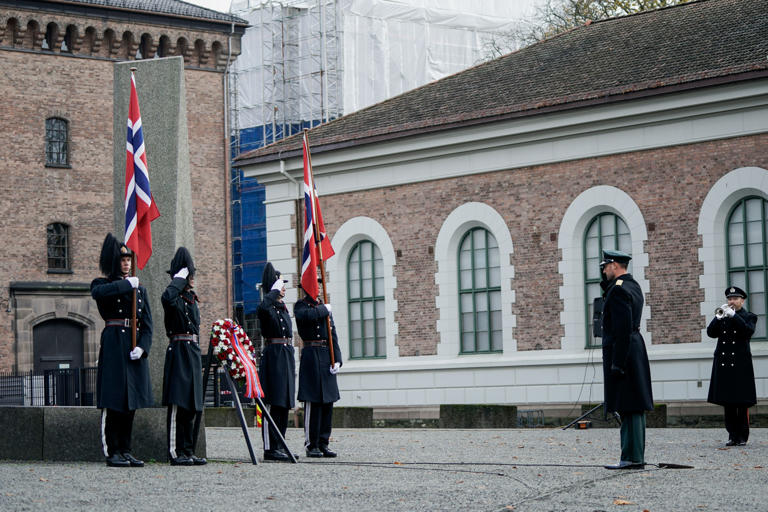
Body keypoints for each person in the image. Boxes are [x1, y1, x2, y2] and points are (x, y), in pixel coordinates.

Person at [91, 234, 153, 467]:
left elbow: (148, 324)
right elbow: (99, 294)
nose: (127, 263)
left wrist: (143, 348)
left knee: (130, 403)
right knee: (114, 400)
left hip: (132, 345)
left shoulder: (141, 290)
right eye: (122, 259)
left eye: (129, 260)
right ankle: (112, 451)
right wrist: (126, 285)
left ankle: (126, 449)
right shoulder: (102, 284)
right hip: (114, 343)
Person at [599, 249, 653, 470]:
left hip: (624, 352)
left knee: (628, 405)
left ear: (614, 265)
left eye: (605, 266)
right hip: (634, 348)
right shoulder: (633, 286)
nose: (603, 271)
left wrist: (617, 363)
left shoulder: (618, 290)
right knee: (634, 406)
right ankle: (635, 456)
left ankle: (630, 457)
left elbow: (621, 329)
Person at [161, 247, 206, 465]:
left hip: (192, 352)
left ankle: (188, 450)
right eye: (189, 275)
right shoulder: (173, 296)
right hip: (178, 351)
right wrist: (178, 279)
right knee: (178, 403)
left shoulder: (190, 299)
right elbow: (167, 297)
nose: (192, 278)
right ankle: (174, 452)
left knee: (191, 405)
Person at [294, 287, 342, 458]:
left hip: (326, 355)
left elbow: (332, 334)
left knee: (327, 403)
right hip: (311, 355)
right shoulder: (301, 305)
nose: (319, 288)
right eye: (317, 284)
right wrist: (324, 309)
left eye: (321, 285)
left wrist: (337, 359)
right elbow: (306, 316)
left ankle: (323, 442)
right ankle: (311, 444)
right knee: (313, 403)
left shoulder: (323, 306)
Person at [707, 286, 757, 446]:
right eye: (729, 299)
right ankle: (732, 435)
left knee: (741, 402)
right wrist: (718, 316)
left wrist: (734, 316)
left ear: (742, 300)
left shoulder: (749, 316)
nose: (732, 302)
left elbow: (747, 331)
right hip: (724, 363)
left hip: (740, 365)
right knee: (727, 402)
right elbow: (711, 332)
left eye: (735, 299)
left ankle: (742, 436)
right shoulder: (724, 316)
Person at [256, 262, 296, 462]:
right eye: (280, 284)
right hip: (274, 355)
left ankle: (280, 443)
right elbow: (263, 307)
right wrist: (271, 292)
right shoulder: (267, 306)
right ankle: (270, 448)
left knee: (284, 402)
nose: (284, 288)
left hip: (286, 353)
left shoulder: (281, 307)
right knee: (273, 402)